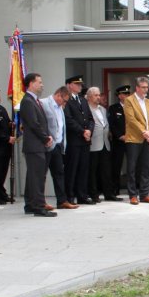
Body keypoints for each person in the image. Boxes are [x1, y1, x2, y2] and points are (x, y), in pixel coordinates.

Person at [20, 72, 56, 217]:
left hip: (37, 144)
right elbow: (33, 124)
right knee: (37, 176)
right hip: (35, 145)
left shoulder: (34, 100)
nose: (41, 84)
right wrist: (45, 138)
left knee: (33, 176)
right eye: (39, 82)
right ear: (31, 83)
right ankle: (38, 206)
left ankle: (29, 203)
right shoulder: (28, 101)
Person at [40, 86, 78, 210]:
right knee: (42, 174)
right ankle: (40, 201)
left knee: (59, 173)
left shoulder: (60, 107)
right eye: (65, 100)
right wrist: (45, 138)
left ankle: (62, 201)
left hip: (57, 145)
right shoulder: (43, 103)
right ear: (58, 95)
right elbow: (39, 123)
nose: (65, 103)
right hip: (47, 144)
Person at [123, 76, 149, 205]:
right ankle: (132, 195)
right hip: (134, 139)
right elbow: (131, 119)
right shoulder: (129, 100)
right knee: (132, 167)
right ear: (137, 88)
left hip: (147, 138)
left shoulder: (148, 102)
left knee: (146, 167)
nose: (145, 89)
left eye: (147, 87)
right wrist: (144, 131)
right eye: (143, 87)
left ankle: (144, 194)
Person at [63, 75, 95, 205]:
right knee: (72, 169)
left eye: (81, 85)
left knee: (83, 168)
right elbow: (68, 120)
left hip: (85, 141)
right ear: (69, 85)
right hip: (74, 140)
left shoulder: (83, 100)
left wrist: (89, 131)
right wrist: (82, 131)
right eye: (77, 84)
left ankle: (82, 195)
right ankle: (70, 196)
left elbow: (91, 119)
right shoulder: (67, 100)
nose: (80, 86)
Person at [86, 86, 120, 202]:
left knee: (106, 170)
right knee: (93, 171)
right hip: (93, 144)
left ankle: (109, 194)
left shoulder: (103, 109)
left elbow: (106, 124)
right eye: (95, 95)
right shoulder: (86, 109)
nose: (98, 97)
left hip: (105, 143)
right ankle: (94, 194)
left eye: (99, 95)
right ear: (89, 97)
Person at [108, 85, 130, 196]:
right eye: (124, 94)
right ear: (119, 96)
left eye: (127, 94)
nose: (126, 96)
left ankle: (133, 189)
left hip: (131, 140)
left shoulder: (132, 107)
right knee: (116, 165)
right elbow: (111, 125)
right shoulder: (113, 108)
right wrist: (120, 136)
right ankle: (115, 189)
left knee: (133, 166)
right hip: (119, 141)